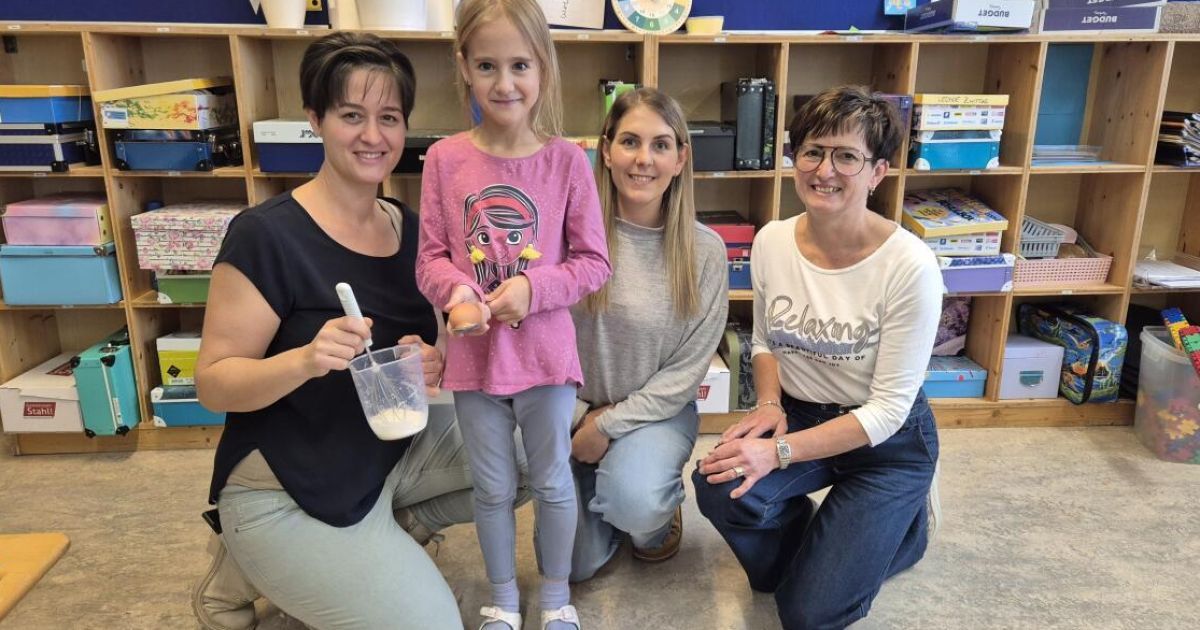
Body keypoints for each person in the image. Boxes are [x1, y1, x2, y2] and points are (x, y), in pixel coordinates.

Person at [192, 32, 491, 630]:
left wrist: (430, 357)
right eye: (351, 115)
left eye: (389, 118)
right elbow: (213, 384)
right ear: (316, 120)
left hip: (384, 461)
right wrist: (305, 359)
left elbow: (435, 347)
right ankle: (246, 559)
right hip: (284, 489)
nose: (372, 136)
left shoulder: (412, 230)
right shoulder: (266, 236)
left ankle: (382, 542)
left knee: (530, 446)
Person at [692, 85, 943, 630]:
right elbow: (765, 341)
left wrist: (777, 453)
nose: (825, 170)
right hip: (801, 412)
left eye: (847, 156)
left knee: (809, 615)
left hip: (887, 445)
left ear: (877, 173)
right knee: (720, 487)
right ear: (795, 158)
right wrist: (768, 403)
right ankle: (819, 549)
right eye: (813, 151)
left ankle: (906, 530)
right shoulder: (772, 241)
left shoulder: (911, 266)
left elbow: (887, 412)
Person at [414, 1, 611, 629]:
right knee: (492, 488)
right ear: (464, 67)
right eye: (488, 66)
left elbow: (593, 262)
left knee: (552, 482)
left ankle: (555, 596)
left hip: (547, 360)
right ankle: (501, 597)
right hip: (474, 363)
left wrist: (534, 287)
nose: (505, 83)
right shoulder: (444, 160)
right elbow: (430, 259)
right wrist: (456, 293)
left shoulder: (567, 161)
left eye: (520, 65)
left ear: (543, 68)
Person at [568, 87, 728, 581]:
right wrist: (579, 418)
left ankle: (651, 514)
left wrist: (606, 426)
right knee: (572, 565)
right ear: (606, 151)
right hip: (570, 412)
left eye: (661, 145)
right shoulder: (567, 239)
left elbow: (686, 372)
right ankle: (608, 490)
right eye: (630, 142)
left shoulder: (705, 252)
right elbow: (538, 344)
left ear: (681, 159)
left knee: (636, 504)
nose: (644, 159)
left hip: (657, 413)